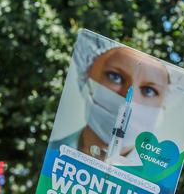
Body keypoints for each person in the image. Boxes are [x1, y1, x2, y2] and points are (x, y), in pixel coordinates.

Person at [67, 29, 170, 165]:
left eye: (149, 90)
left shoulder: (157, 181)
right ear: (85, 77)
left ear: (163, 106)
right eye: (115, 77)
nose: (130, 99)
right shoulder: (51, 155)